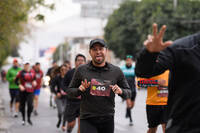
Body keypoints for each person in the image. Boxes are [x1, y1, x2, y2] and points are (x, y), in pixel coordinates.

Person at [135, 23, 200, 133]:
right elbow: (141, 79)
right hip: (154, 103)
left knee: (164, 127)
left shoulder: (169, 72)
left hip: (164, 103)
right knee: (152, 128)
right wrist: (150, 54)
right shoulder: (180, 51)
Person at [67, 38, 131, 133]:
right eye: (94, 49)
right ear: (90, 52)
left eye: (101, 49)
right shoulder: (81, 70)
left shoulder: (116, 71)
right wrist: (79, 90)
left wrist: (121, 91)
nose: (98, 52)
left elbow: (128, 92)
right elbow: (70, 91)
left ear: (106, 51)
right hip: (87, 118)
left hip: (107, 119)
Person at [62, 54, 86, 133]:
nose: (80, 62)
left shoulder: (88, 74)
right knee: (71, 124)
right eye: (78, 60)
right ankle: (69, 130)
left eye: (82, 60)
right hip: (71, 102)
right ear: (75, 62)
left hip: (83, 102)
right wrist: (68, 91)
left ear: (85, 62)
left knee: (81, 123)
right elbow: (63, 84)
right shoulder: (69, 73)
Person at [15, 61, 36, 125]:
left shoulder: (32, 72)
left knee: (30, 105)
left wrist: (34, 82)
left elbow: (34, 79)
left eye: (28, 65)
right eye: (25, 65)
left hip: (30, 91)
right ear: (23, 65)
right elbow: (16, 81)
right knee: (23, 105)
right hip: (23, 91)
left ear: (29, 65)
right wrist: (20, 85)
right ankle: (23, 119)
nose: (27, 66)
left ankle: (29, 118)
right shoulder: (20, 72)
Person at [51, 64, 70, 128]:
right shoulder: (57, 77)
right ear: (60, 70)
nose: (63, 71)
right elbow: (52, 87)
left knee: (65, 111)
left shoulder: (68, 78)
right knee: (60, 111)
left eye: (65, 70)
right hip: (59, 97)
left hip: (66, 97)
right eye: (62, 70)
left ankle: (63, 125)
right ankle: (59, 119)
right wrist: (56, 93)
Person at [120, 55, 137, 126]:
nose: (129, 61)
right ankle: (131, 120)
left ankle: (127, 110)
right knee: (129, 104)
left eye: (130, 60)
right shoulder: (122, 68)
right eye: (127, 60)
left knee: (132, 106)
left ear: (132, 61)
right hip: (126, 89)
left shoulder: (134, 68)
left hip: (133, 89)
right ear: (126, 61)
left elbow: (139, 78)